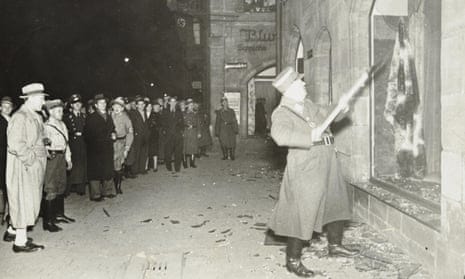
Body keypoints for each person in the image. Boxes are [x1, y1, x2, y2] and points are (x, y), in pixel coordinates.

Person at [268, 67, 358, 277]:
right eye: (300, 83)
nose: (304, 84)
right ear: (290, 89)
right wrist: (311, 136)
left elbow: (326, 113)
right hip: (306, 166)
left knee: (336, 201)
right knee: (302, 212)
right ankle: (293, 260)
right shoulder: (282, 112)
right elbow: (279, 135)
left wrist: (341, 107)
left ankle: (335, 245)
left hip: (327, 159)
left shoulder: (306, 104)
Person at [5, 83, 48, 252]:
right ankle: (20, 243)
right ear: (30, 99)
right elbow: (15, 144)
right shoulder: (20, 116)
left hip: (32, 166)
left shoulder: (34, 115)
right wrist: (31, 160)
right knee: (23, 201)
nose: (43, 101)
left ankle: (16, 234)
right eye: (41, 98)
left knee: (28, 201)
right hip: (23, 166)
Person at [43, 99, 74, 232]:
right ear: (50, 112)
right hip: (52, 158)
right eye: (58, 111)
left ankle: (59, 214)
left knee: (61, 185)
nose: (61, 113)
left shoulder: (62, 124)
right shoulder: (46, 126)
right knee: (51, 187)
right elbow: (43, 144)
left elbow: (66, 143)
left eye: (62, 110)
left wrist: (68, 159)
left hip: (61, 156)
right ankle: (48, 221)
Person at [84, 94, 117, 201]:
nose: (103, 104)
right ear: (96, 105)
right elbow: (88, 135)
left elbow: (112, 129)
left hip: (107, 147)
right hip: (95, 149)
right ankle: (96, 194)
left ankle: (108, 191)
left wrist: (114, 134)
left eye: (104, 103)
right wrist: (104, 138)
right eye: (101, 103)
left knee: (108, 168)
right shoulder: (91, 118)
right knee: (95, 171)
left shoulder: (109, 116)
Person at [64, 94, 87, 196]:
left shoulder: (84, 116)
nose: (77, 105)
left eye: (79, 103)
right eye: (75, 103)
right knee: (71, 165)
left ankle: (80, 188)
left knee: (82, 164)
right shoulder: (67, 117)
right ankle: (68, 188)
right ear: (71, 105)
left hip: (82, 143)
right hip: (72, 144)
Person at [111, 97, 134, 194]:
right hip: (110, 143)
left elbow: (130, 133)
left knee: (118, 165)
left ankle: (118, 186)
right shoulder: (109, 115)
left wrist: (127, 147)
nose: (116, 108)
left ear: (123, 108)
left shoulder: (126, 118)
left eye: (119, 106)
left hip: (120, 143)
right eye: (115, 106)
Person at [126, 96, 149, 175]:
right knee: (136, 153)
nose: (141, 106)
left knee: (144, 152)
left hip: (145, 136)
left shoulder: (145, 112)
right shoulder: (133, 113)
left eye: (143, 104)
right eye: (139, 104)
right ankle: (135, 170)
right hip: (137, 136)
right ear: (136, 105)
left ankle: (142, 169)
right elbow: (132, 125)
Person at [161, 97, 184, 172]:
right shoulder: (165, 111)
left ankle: (177, 168)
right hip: (169, 135)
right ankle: (168, 166)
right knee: (168, 152)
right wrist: (165, 132)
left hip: (178, 135)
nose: (173, 103)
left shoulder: (179, 111)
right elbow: (163, 123)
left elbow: (182, 123)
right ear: (169, 103)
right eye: (172, 102)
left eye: (174, 102)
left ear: (176, 103)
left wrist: (181, 131)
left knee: (178, 152)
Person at [0, 96, 13, 223]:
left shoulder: (13, 120)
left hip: (10, 157)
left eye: (9, 106)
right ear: (0, 107)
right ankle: (2, 213)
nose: (7, 108)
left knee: (9, 186)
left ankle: (10, 214)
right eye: (4, 106)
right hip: (2, 157)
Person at [183, 99, 201, 168]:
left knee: (193, 148)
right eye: (190, 105)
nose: (191, 107)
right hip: (186, 131)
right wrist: (182, 132)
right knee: (184, 148)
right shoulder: (183, 113)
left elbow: (198, 124)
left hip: (193, 132)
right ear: (187, 105)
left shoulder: (195, 114)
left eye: (192, 105)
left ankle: (192, 162)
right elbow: (181, 124)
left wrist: (199, 132)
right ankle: (184, 163)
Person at [147, 102, 162, 171]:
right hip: (149, 134)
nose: (157, 108)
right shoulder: (149, 114)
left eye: (158, 107)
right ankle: (148, 166)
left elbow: (159, 124)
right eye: (156, 107)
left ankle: (154, 166)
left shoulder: (157, 115)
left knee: (154, 149)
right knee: (148, 150)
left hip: (154, 134)